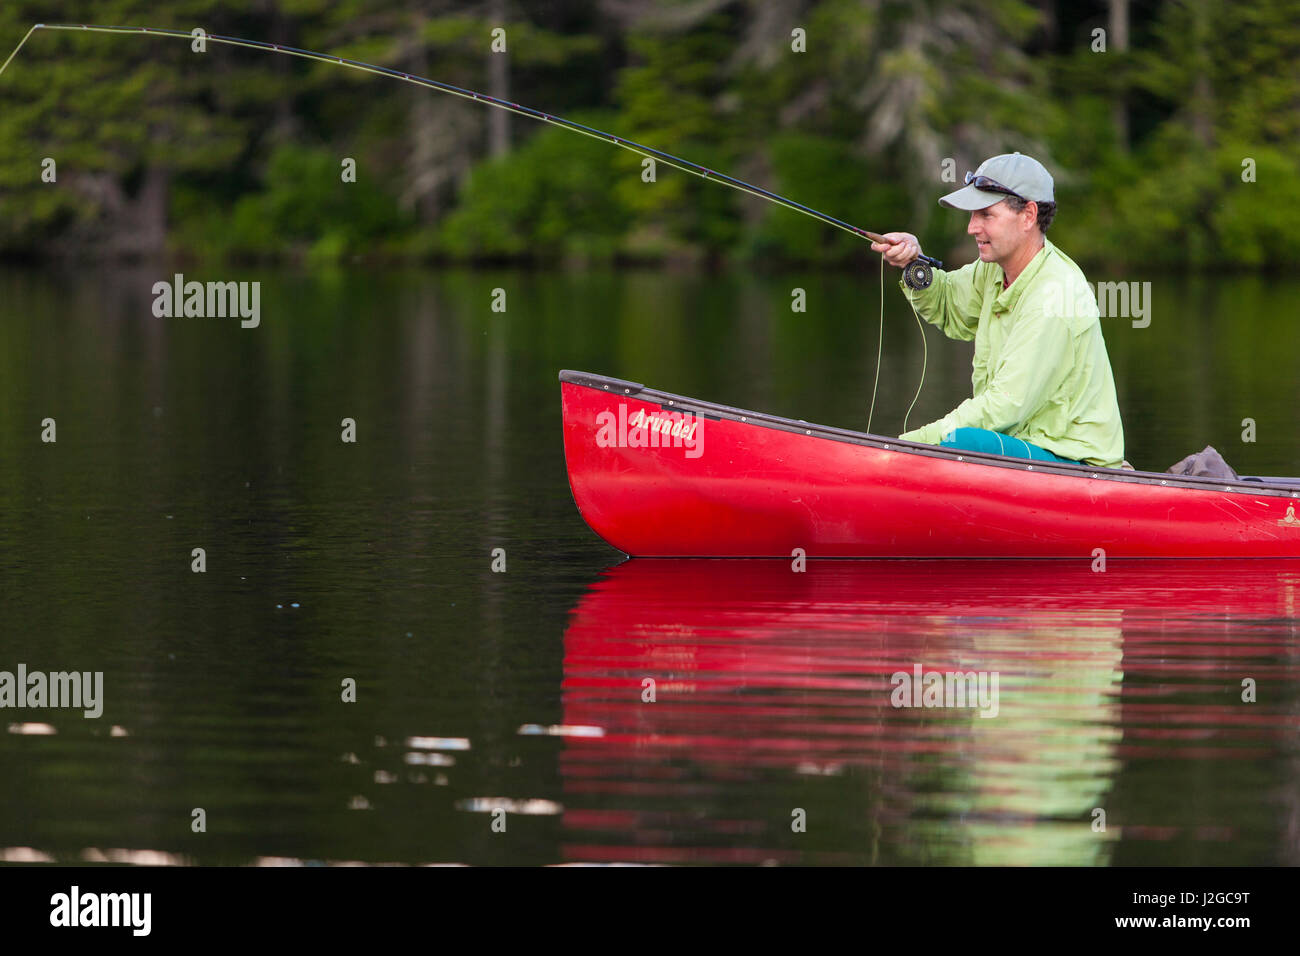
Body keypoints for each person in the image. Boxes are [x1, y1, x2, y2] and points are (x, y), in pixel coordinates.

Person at [872, 152, 1125, 469]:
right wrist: (914, 265)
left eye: (986, 215)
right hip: (1026, 450)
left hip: (1077, 462)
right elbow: (950, 304)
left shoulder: (1055, 294)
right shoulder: (992, 269)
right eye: (972, 215)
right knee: (962, 442)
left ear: (1028, 215)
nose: (971, 228)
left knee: (962, 443)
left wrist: (905, 446)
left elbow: (1003, 407)